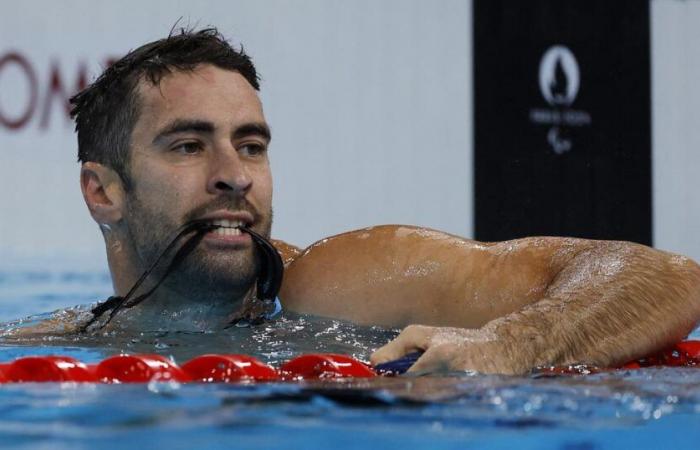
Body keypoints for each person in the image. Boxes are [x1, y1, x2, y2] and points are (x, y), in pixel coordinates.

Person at [13, 28, 700, 375]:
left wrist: (510, 343)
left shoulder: (337, 283)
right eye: (189, 146)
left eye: (251, 146)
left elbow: (665, 275)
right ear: (102, 192)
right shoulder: (62, 345)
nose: (235, 176)